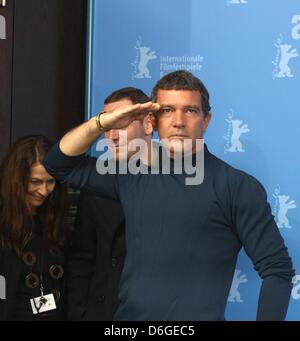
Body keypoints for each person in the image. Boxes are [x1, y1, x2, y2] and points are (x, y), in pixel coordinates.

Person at [44, 70, 294, 321]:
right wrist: (103, 122)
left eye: (190, 111)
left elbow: (277, 269)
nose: (178, 121)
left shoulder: (237, 186)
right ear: (151, 121)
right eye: (167, 111)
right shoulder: (130, 174)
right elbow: (58, 164)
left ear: (206, 120)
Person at [67, 87, 153, 321]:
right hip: (102, 312)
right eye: (106, 127)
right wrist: (79, 314)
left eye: (121, 125)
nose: (111, 136)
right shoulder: (96, 180)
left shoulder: (176, 180)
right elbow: (82, 257)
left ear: (148, 124)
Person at [0, 135, 68, 321]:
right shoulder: (5, 222)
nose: (44, 191)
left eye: (51, 181)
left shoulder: (54, 216)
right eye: (35, 181)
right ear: (17, 179)